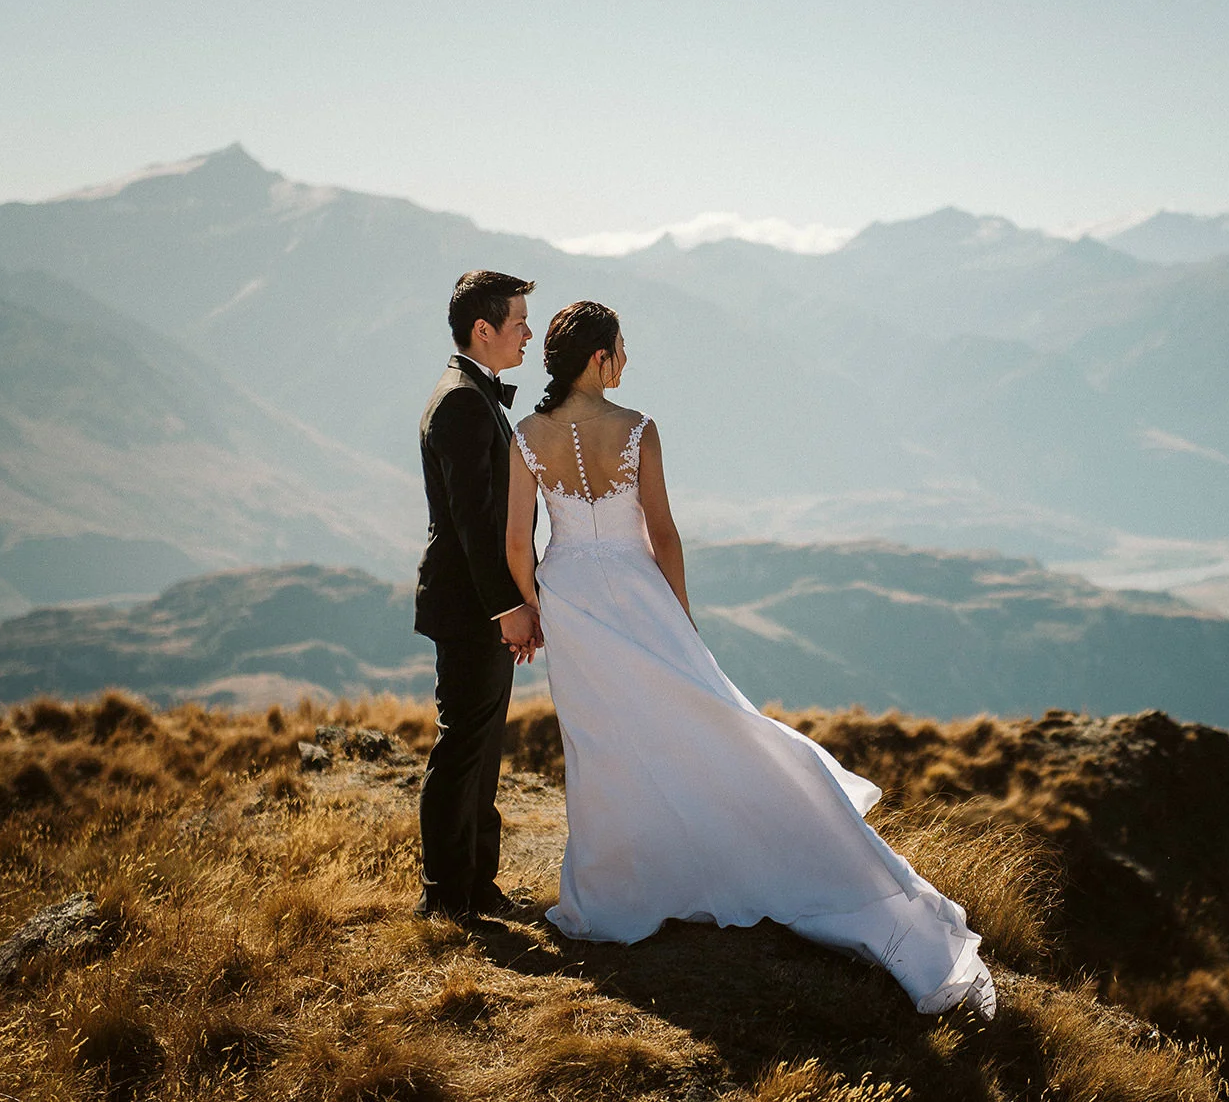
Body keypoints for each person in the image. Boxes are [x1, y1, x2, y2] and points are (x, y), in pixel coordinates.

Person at [504, 299, 996, 1018]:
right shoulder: (637, 428)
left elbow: (517, 541)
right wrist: (681, 617)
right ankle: (768, 833)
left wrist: (535, 606)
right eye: (622, 348)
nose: (627, 360)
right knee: (700, 723)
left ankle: (614, 894)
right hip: (639, 594)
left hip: (571, 598)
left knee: (599, 742)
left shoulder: (527, 434)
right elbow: (663, 534)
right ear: (598, 357)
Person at [412, 270, 544, 922]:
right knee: (462, 746)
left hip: (479, 604)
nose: (529, 333)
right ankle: (443, 894)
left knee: (484, 748)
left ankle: (476, 884)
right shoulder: (462, 401)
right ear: (483, 329)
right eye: (519, 322)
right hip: (471, 607)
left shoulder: (472, 393)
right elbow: (473, 519)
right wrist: (508, 607)